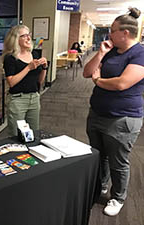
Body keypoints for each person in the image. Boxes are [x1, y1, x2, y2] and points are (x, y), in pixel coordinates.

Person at [83, 7, 144, 216]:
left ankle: (118, 197)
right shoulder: (110, 51)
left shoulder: (140, 54)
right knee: (99, 156)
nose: (110, 33)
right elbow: (87, 72)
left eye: (113, 30)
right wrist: (100, 53)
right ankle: (100, 185)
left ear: (125, 33)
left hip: (123, 118)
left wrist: (99, 80)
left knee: (118, 161)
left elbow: (122, 84)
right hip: (98, 113)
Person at [2, 25, 47, 136]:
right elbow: (11, 82)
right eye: (24, 36)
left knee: (33, 133)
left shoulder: (34, 54)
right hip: (18, 100)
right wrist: (28, 68)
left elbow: (39, 81)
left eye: (29, 35)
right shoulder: (10, 58)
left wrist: (45, 67)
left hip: (34, 98)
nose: (28, 38)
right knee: (16, 135)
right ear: (16, 39)